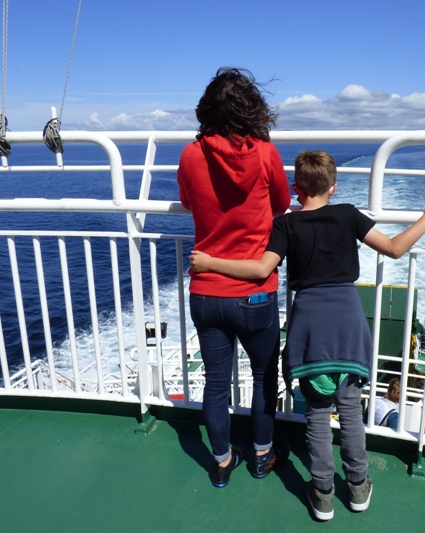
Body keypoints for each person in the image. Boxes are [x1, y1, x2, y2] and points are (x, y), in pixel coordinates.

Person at [190, 150, 425, 520]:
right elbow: (394, 248)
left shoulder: (285, 225)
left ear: (296, 189)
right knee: (350, 411)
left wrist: (210, 263)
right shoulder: (347, 214)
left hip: (310, 328)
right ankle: (358, 487)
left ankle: (323, 492)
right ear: (334, 187)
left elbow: (261, 268)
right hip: (348, 326)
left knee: (316, 414)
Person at [177, 67, 292, 488]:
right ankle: (263, 455)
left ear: (207, 109)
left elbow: (188, 201)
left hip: (206, 291)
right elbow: (281, 202)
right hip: (255, 292)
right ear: (252, 110)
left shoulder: (191, 155)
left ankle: (222, 462)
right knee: (264, 375)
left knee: (215, 382)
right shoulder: (265, 153)